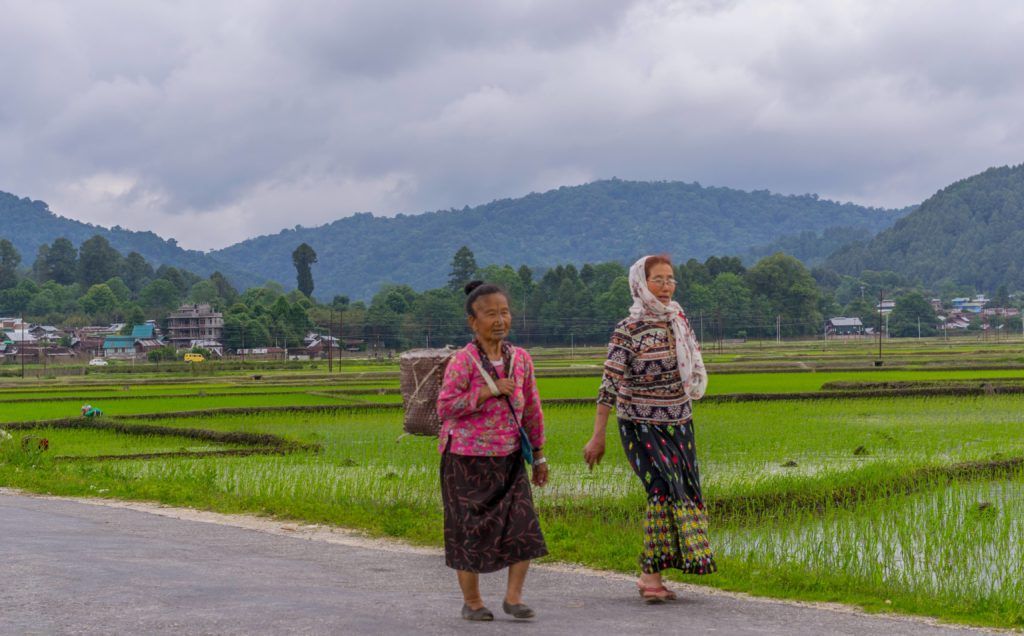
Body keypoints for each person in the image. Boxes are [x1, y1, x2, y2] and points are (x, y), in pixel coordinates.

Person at [583, 254, 716, 603]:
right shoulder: (628, 330)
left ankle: (654, 572)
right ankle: (650, 575)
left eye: (670, 279)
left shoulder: (678, 322)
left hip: (679, 423)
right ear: (641, 284)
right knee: (660, 488)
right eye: (658, 279)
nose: (666, 286)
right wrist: (598, 434)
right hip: (640, 425)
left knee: (682, 491)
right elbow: (608, 385)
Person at [436, 280, 549, 622]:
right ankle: (472, 603)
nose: (500, 320)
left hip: (511, 458)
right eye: (490, 314)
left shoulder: (522, 360)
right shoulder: (463, 362)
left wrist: (539, 455)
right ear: (473, 321)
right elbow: (445, 408)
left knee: (523, 527)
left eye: (504, 312)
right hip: (465, 461)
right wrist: (486, 393)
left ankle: (514, 598)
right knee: (468, 531)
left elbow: (532, 409)